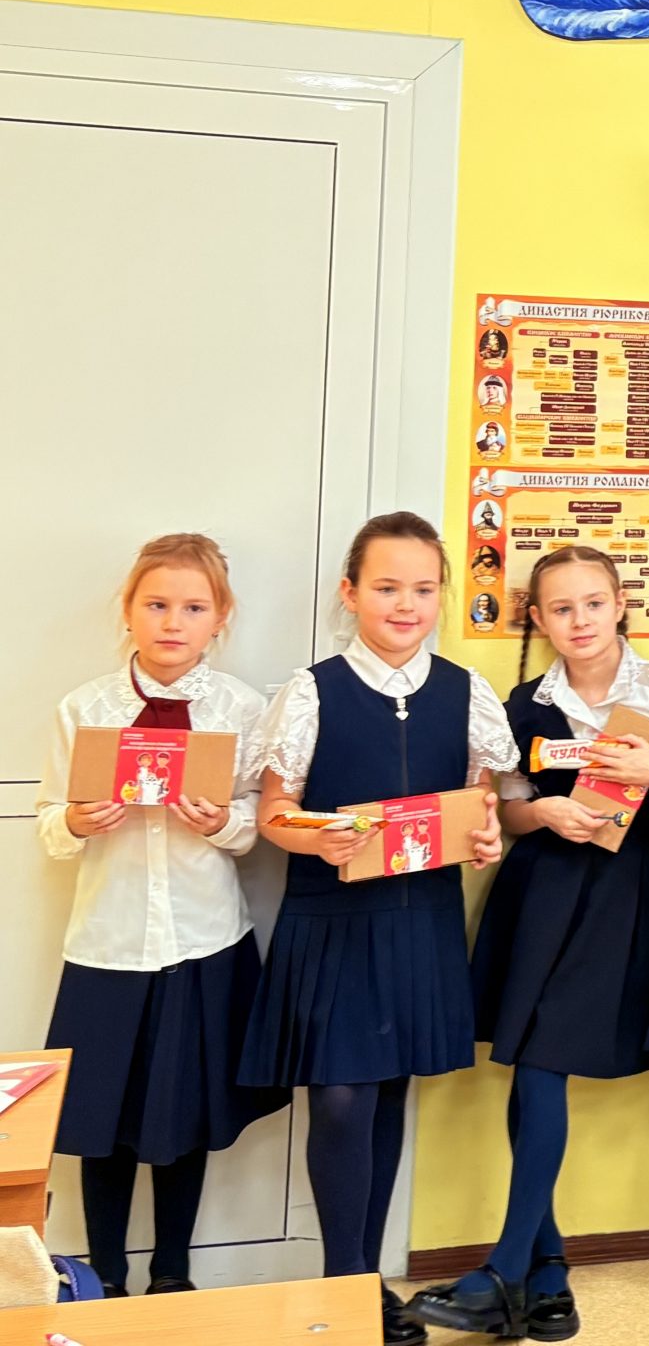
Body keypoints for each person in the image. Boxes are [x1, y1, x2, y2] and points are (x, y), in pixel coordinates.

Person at [240, 513, 510, 1346]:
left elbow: (481, 803)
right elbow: (273, 812)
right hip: (333, 922)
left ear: (442, 596)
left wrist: (487, 837)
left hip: (422, 919)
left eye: (423, 589)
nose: (405, 604)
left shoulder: (466, 691)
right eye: (387, 587)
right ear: (350, 593)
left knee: (389, 1090)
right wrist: (312, 836)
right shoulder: (311, 690)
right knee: (341, 1097)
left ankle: (369, 1280)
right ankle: (346, 1278)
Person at [412, 546, 649, 1339]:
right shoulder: (522, 703)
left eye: (594, 603)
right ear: (538, 619)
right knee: (533, 1064)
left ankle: (508, 1271)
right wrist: (544, 813)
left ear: (620, 603)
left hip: (626, 893)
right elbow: (507, 807)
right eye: (562, 609)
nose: (581, 621)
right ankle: (543, 1269)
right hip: (541, 890)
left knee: (544, 1060)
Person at [37, 534, 282, 1299]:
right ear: (129, 611)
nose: (174, 621)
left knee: (188, 1114)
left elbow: (257, 822)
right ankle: (105, 1279)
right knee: (100, 1122)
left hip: (205, 941)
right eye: (157, 604)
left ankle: (173, 1272)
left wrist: (222, 822)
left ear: (221, 618)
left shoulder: (240, 708)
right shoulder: (85, 709)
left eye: (194, 607)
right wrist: (77, 819)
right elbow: (49, 822)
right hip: (107, 944)